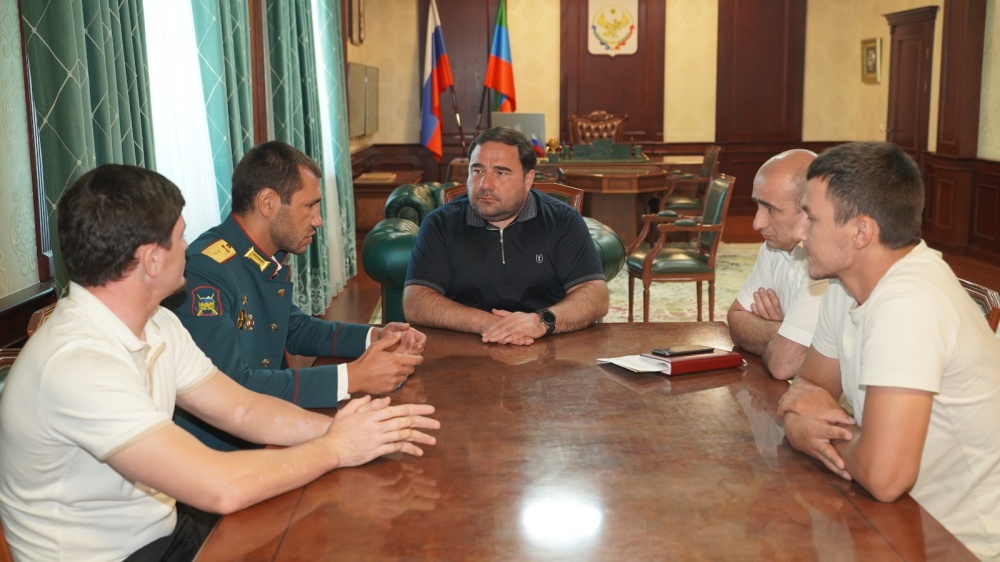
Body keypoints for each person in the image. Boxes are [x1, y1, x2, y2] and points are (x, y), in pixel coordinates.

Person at [0, 165, 439, 561]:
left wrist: (346, 430)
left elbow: (242, 408)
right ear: (151, 260)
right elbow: (220, 487)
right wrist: (335, 448)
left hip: (164, 533)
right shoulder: (78, 364)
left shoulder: (157, 324)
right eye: (180, 236)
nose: (188, 247)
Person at [776, 142, 1000, 559]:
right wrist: (806, 423)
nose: (800, 232)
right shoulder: (845, 283)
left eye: (812, 218)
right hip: (893, 520)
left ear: (861, 232)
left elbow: (884, 476)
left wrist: (808, 432)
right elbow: (807, 386)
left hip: (956, 543)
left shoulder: (910, 302)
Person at [170, 141, 426, 451]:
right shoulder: (205, 271)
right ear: (268, 203)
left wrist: (376, 336)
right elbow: (232, 388)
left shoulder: (255, 255)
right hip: (224, 452)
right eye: (310, 206)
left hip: (270, 425)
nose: (318, 220)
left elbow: (293, 326)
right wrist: (352, 377)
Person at [402, 127, 609, 345]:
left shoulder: (563, 220)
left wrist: (540, 322)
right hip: (465, 347)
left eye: (501, 173)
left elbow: (595, 296)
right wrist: (490, 324)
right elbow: (415, 301)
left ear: (528, 179)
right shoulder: (440, 224)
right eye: (477, 171)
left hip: (547, 348)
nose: (485, 184)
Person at [727, 149, 827, 380]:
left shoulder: (826, 261)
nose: (757, 223)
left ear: (810, 210)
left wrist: (777, 336)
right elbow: (736, 319)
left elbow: (784, 364)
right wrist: (785, 331)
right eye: (758, 206)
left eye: (771, 209)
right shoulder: (774, 246)